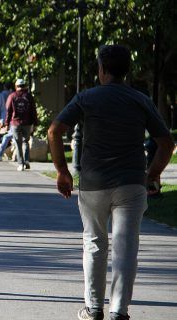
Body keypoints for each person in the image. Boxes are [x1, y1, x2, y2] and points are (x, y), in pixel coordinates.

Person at [48, 45, 174, 320]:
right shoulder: (140, 99)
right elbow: (166, 143)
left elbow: (55, 130)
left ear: (102, 69)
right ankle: (119, 310)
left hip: (94, 182)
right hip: (131, 182)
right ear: (126, 70)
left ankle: (93, 308)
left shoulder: (87, 97)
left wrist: (62, 171)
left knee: (94, 242)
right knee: (126, 246)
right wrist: (151, 175)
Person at [5, 78, 38, 171]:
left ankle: (21, 164)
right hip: (27, 123)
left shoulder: (12, 96)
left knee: (18, 143)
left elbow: (8, 111)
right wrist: (35, 123)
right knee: (25, 142)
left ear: (16, 86)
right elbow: (33, 111)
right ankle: (26, 161)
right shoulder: (29, 96)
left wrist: (7, 123)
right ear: (25, 86)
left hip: (15, 123)